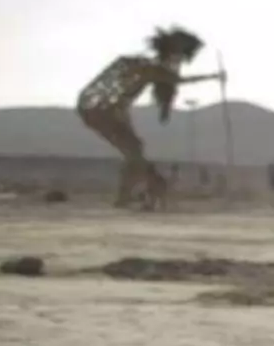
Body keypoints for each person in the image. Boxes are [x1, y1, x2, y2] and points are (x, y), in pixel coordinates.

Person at [75, 26, 219, 210]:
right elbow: (175, 80)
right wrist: (213, 77)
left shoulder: (137, 64)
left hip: (97, 107)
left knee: (134, 150)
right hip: (102, 109)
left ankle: (133, 193)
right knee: (134, 150)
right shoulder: (150, 68)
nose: (178, 64)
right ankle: (145, 189)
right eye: (178, 59)